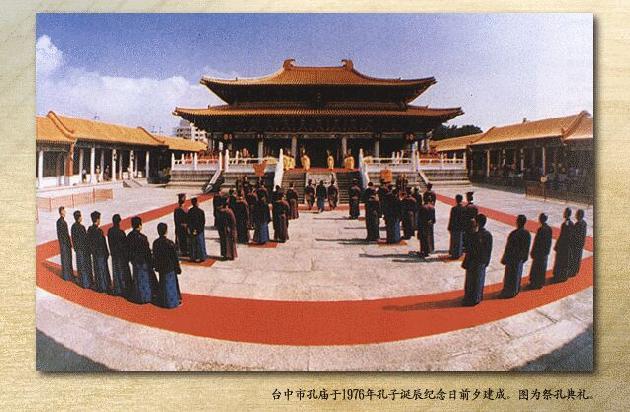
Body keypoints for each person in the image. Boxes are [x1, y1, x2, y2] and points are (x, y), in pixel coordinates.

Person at [462, 214, 493, 306]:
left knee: (471, 281)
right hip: (482, 261)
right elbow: (489, 249)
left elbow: (468, 248)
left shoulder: (473, 235)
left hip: (473, 261)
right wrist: (487, 261)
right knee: (479, 279)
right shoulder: (488, 235)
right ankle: (478, 297)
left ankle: (470, 298)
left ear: (477, 223)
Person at [500, 215, 532, 298]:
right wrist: (524, 258)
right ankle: (515, 290)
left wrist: (505, 258)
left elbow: (508, 247)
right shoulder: (527, 234)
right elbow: (526, 247)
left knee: (509, 276)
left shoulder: (513, 234)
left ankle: (508, 291)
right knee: (517, 274)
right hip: (519, 258)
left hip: (512, 258)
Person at [127, 216, 156, 303]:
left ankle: (138, 296)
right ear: (139, 225)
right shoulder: (143, 238)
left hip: (135, 261)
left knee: (137, 278)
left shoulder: (129, 236)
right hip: (143, 262)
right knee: (145, 279)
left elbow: (128, 249)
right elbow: (147, 252)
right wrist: (151, 262)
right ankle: (145, 297)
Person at [107, 214, 132, 297]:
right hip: (121, 255)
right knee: (122, 272)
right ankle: (124, 289)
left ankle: (118, 289)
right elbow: (125, 245)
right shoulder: (121, 232)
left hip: (114, 254)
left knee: (116, 271)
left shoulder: (110, 231)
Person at [87, 211, 111, 293]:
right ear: (97, 220)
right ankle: (103, 287)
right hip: (100, 254)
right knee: (102, 270)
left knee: (97, 270)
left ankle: (99, 286)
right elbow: (103, 243)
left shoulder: (90, 229)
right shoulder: (99, 231)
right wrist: (106, 253)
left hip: (95, 254)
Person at [529, 213, 553, 289]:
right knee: (542, 268)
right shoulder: (549, 229)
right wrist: (547, 251)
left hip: (539, 252)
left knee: (536, 268)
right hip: (544, 253)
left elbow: (537, 242)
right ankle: (540, 282)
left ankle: (535, 283)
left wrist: (533, 251)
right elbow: (549, 241)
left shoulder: (541, 229)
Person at [71, 211, 93, 288]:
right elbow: (85, 239)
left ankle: (82, 282)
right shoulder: (82, 227)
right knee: (84, 266)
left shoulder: (73, 227)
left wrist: (75, 248)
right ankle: (86, 283)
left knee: (80, 266)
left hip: (78, 249)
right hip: (83, 249)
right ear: (79, 217)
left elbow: (73, 238)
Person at [552, 207, 574, 283]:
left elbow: (562, 235)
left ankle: (560, 275)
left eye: (565, 212)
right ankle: (563, 275)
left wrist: (557, 245)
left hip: (563, 246)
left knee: (561, 261)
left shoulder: (566, 224)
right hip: (567, 246)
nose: (564, 213)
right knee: (564, 261)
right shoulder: (571, 223)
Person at [56, 206, 74, 281]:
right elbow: (65, 234)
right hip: (65, 244)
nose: (65, 212)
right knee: (67, 259)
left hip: (63, 243)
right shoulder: (63, 222)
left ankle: (67, 275)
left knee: (65, 259)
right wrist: (69, 243)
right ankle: (68, 276)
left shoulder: (59, 221)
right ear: (61, 212)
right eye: (64, 211)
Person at [188, 197, 207, 262]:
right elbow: (203, 222)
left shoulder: (190, 211)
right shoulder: (201, 211)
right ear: (196, 203)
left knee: (193, 244)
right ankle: (202, 257)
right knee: (200, 244)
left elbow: (189, 221)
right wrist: (198, 230)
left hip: (192, 230)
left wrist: (192, 229)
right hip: (199, 230)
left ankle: (193, 257)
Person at [569, 209, 587, 277]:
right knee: (578, 257)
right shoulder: (584, 223)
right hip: (580, 243)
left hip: (576, 244)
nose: (576, 215)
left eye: (577, 214)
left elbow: (575, 234)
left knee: (574, 257)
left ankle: (573, 271)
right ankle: (576, 269)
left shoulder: (578, 224)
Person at [447, 194, 466, 259]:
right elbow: (464, 219)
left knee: (454, 241)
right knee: (460, 240)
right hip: (460, 227)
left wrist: (449, 227)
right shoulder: (464, 208)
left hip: (454, 227)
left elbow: (451, 219)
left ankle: (453, 253)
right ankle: (459, 253)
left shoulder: (454, 209)